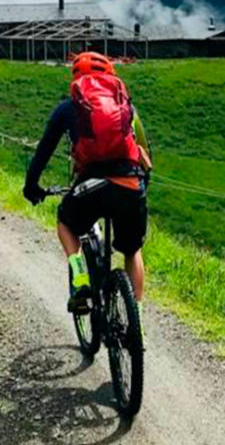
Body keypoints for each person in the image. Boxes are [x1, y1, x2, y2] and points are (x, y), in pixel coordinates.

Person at [23, 51, 152, 320]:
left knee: (66, 223)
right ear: (110, 75)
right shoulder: (127, 106)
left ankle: (80, 279)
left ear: (76, 78)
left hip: (91, 186)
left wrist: (31, 186)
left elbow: (44, 151)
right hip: (129, 182)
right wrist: (142, 185)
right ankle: (136, 320)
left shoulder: (68, 108)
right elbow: (144, 150)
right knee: (132, 251)